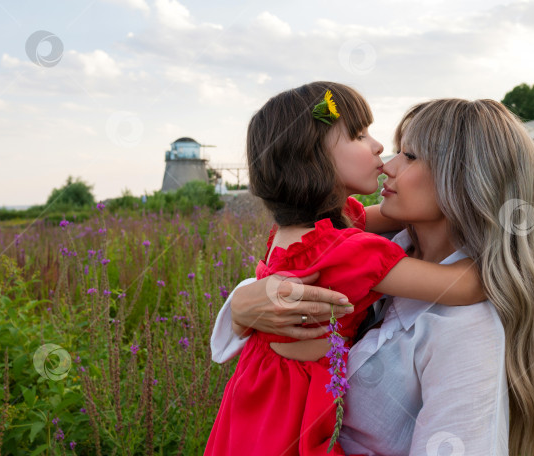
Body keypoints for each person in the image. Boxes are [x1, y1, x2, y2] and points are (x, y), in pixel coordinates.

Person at [212, 98, 534, 455]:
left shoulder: (464, 327)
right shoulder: (370, 249)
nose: (388, 165)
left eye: (409, 155)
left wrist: (504, 252)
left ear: (461, 180)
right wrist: (242, 306)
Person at [203, 83, 486, 456]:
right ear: (314, 159)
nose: (378, 147)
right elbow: (463, 286)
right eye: (357, 135)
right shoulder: (350, 251)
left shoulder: (302, 232)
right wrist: (502, 239)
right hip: (293, 402)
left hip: (255, 390)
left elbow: (382, 218)